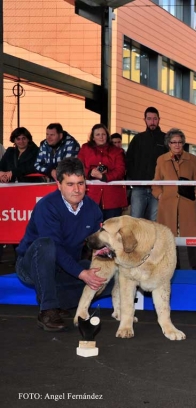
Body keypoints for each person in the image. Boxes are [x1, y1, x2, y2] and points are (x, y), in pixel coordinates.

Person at [15, 157, 110, 332]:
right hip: (32, 266)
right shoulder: (47, 206)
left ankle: (57, 301)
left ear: (86, 183)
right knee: (46, 244)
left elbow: (97, 241)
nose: (77, 189)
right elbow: (55, 248)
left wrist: (101, 251)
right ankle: (48, 310)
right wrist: (82, 273)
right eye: (70, 184)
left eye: (80, 183)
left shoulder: (93, 209)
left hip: (65, 268)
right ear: (59, 184)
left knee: (108, 276)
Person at [152, 128, 196, 270]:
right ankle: (173, 267)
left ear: (183, 143)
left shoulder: (192, 159)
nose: (177, 145)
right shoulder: (161, 160)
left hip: (187, 203)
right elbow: (156, 182)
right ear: (168, 144)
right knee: (169, 235)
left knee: (192, 234)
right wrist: (159, 195)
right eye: (173, 142)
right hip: (167, 204)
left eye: (180, 142)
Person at [126, 107, 168, 221]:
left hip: (159, 189)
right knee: (135, 222)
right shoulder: (138, 139)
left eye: (155, 119)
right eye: (149, 119)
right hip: (139, 188)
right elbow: (128, 160)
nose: (152, 122)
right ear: (144, 120)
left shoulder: (166, 139)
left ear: (159, 119)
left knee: (154, 222)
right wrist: (134, 178)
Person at [78, 124, 128, 220]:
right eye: (97, 135)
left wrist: (104, 176)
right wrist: (90, 172)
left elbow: (121, 171)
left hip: (112, 198)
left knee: (111, 231)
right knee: (91, 229)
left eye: (103, 134)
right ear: (92, 137)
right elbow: (78, 166)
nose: (101, 137)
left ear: (107, 136)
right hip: (91, 196)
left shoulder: (117, 151)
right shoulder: (85, 148)